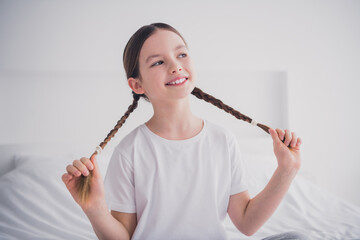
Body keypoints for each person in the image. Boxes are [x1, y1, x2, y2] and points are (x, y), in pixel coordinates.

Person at [62, 23, 307, 240]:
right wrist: (95, 209)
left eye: (181, 54)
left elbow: (246, 223)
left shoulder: (223, 140)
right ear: (137, 85)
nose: (175, 66)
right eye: (158, 62)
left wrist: (287, 170)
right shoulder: (130, 151)